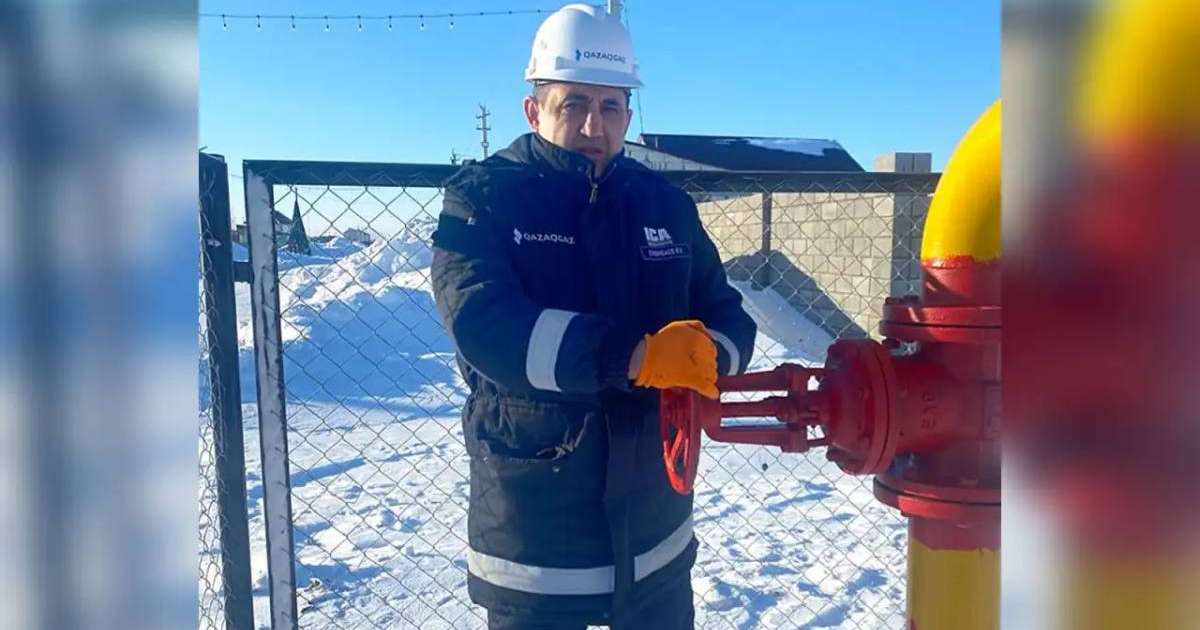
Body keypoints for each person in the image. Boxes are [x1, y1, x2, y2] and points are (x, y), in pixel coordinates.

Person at [431, 4, 756, 628]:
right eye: (573, 103)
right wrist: (629, 357)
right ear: (534, 109)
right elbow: (482, 323)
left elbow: (726, 310)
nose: (592, 125)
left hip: (655, 532)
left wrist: (711, 354)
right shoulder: (484, 198)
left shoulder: (663, 202)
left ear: (628, 115)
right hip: (538, 531)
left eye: (610, 106)